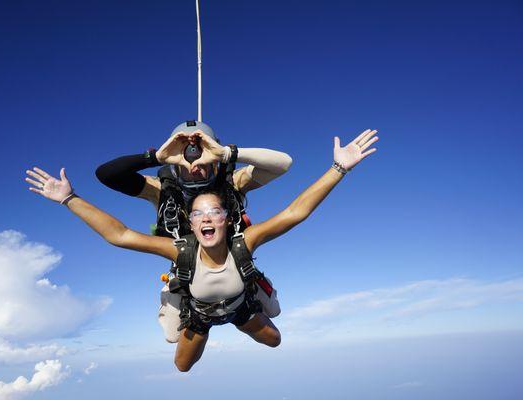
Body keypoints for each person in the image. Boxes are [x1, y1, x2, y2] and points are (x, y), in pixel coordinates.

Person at [25, 129, 379, 372]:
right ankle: (202, 316)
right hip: (197, 312)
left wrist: (338, 168)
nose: (207, 219)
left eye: (215, 213)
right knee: (181, 365)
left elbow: (294, 210)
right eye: (198, 215)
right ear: (191, 224)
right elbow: (119, 233)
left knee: (275, 339)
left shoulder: (242, 229)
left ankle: (246, 307)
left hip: (242, 304)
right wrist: (69, 198)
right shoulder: (175, 238)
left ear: (228, 219)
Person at [95, 121, 293, 237]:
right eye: (187, 162)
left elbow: (283, 163)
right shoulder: (161, 189)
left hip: (235, 271)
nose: (195, 167)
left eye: (203, 161)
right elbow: (106, 174)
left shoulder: (232, 182)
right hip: (186, 280)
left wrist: (226, 154)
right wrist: (155, 158)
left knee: (269, 306)